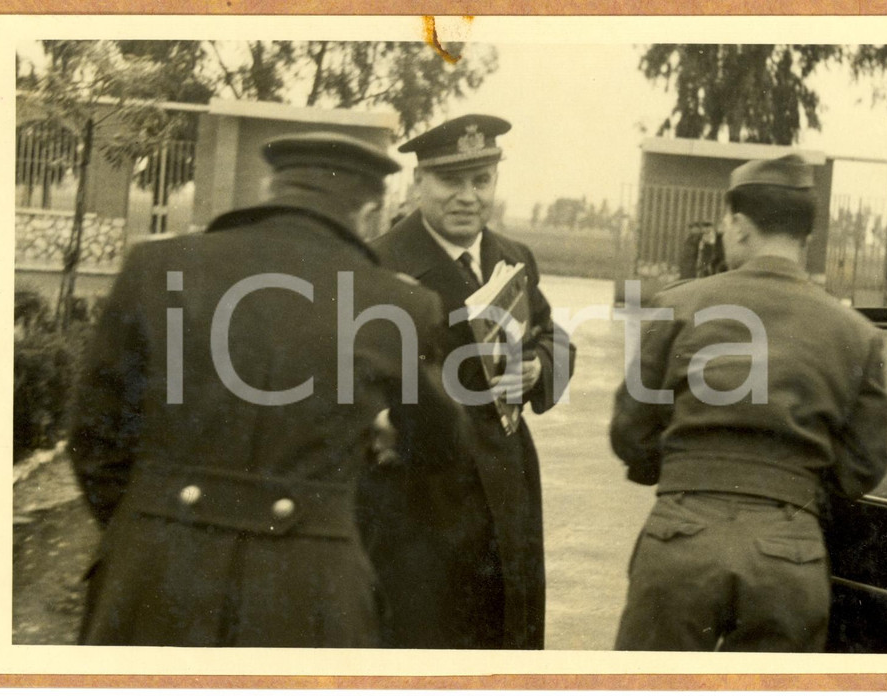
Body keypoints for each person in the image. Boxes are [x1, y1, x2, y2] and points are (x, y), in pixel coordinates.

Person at [68, 131, 470, 647]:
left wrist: (148, 524)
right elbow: (442, 449)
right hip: (310, 587)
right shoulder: (399, 304)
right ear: (370, 212)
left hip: (150, 575)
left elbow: (92, 436)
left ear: (271, 189)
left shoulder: (155, 267)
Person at [609, 153, 887, 652]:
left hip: (681, 536)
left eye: (725, 224)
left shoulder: (678, 306)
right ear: (806, 236)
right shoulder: (858, 334)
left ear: (739, 226)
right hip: (790, 550)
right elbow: (864, 465)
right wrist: (795, 488)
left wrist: (683, 472)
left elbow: (631, 432)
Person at [359, 114, 576, 649]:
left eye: (481, 180)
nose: (468, 197)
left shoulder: (513, 257)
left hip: (507, 480)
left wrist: (538, 367)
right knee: (430, 638)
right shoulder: (380, 263)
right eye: (450, 181)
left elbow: (551, 333)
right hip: (423, 492)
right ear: (419, 181)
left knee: (507, 632)